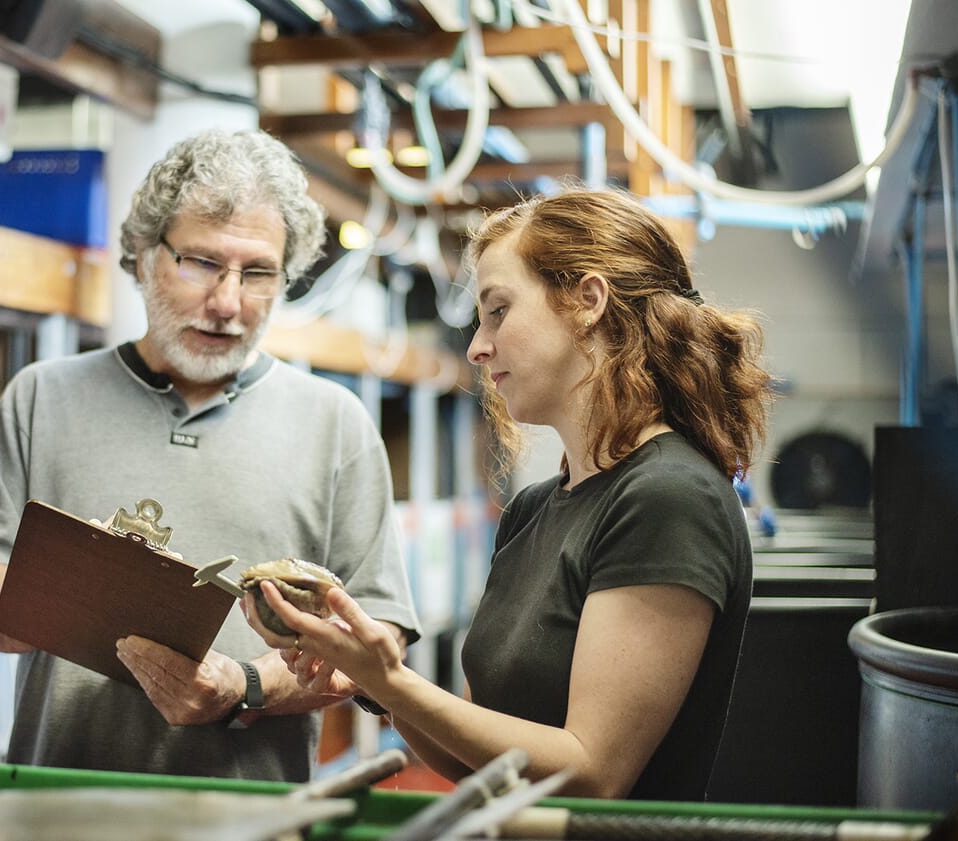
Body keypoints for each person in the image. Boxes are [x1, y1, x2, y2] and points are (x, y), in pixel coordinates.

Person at [245, 188, 772, 801]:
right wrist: (372, 679)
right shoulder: (533, 509)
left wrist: (390, 676)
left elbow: (592, 772)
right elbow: (479, 759)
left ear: (587, 303)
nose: (476, 345)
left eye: (498, 311)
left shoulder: (668, 498)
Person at [0, 128, 420, 783]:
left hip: (255, 822)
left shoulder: (335, 423)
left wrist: (246, 686)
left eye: (257, 273)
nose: (228, 302)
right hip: (59, 809)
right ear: (142, 253)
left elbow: (381, 645)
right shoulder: (41, 397)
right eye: (200, 262)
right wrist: (95, 587)